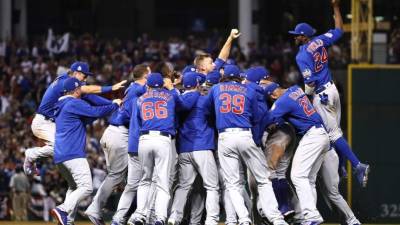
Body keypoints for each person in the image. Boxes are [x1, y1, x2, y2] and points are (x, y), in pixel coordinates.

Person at [288, 0, 369, 187]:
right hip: (333, 90)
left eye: (297, 35)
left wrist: (306, 98)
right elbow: (340, 29)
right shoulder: (320, 41)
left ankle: (357, 165)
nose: (294, 37)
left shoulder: (301, 55)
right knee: (336, 133)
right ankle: (341, 167)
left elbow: (310, 82)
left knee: (332, 135)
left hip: (321, 95)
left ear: (303, 37)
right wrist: (336, 7)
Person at [203, 65, 287, 225]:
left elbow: (207, 110)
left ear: (224, 76)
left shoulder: (216, 89)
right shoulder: (248, 90)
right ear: (240, 78)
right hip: (245, 134)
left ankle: (244, 219)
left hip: (225, 136)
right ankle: (276, 219)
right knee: (263, 179)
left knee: (233, 184)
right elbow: (257, 118)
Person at [23, 61, 127, 175]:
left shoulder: (71, 85)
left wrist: (113, 103)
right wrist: (111, 88)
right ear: (76, 73)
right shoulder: (63, 82)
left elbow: (90, 97)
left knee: (64, 146)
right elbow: (88, 90)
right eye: (84, 75)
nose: (85, 79)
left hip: (51, 123)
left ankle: (35, 158)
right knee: (60, 147)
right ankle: (31, 154)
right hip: (43, 122)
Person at [50, 77, 122, 225]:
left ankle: (67, 221)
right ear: (76, 90)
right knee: (86, 187)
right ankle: (63, 209)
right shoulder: (73, 102)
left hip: (60, 156)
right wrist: (114, 105)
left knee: (74, 187)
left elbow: (84, 120)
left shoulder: (60, 105)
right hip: (73, 153)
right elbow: (95, 112)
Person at [85, 64, 151, 225]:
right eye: (150, 74)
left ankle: (111, 213)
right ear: (145, 77)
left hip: (114, 133)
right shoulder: (138, 91)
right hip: (119, 134)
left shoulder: (133, 88)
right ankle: (95, 209)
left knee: (120, 177)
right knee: (116, 176)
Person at [265, 83, 330, 225]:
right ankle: (310, 217)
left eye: (272, 98)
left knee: (297, 176)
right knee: (309, 179)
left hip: (312, 135)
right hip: (323, 134)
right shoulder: (295, 88)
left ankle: (312, 216)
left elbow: (268, 119)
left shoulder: (281, 101)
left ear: (273, 95)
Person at [130, 73, 182, 225]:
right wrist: (171, 87)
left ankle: (140, 214)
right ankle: (159, 217)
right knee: (162, 180)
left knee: (145, 179)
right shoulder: (171, 96)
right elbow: (180, 104)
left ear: (148, 85)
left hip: (144, 139)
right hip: (162, 139)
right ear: (162, 84)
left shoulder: (140, 99)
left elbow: (138, 121)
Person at [168, 72, 220, 225]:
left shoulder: (177, 100)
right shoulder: (203, 99)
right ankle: (211, 219)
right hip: (202, 146)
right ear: (198, 84)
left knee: (183, 186)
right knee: (211, 186)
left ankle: (174, 217)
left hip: (184, 148)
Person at [110, 65, 150, 225]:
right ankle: (139, 216)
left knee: (133, 184)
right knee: (147, 181)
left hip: (133, 143)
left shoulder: (133, 94)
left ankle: (118, 218)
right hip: (141, 143)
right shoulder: (140, 95)